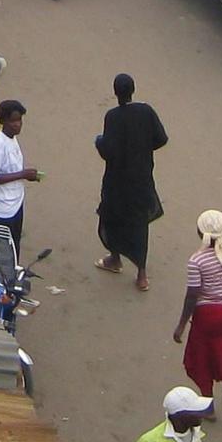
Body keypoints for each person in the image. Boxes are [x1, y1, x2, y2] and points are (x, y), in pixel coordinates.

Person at [174, 210, 222, 418]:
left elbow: (192, 295)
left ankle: (208, 407)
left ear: (200, 233)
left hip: (206, 315)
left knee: (203, 359)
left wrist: (182, 325)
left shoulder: (196, 261)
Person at [93, 72, 166, 289]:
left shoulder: (112, 117)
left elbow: (109, 151)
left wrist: (99, 142)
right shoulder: (146, 111)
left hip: (117, 181)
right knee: (139, 223)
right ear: (133, 90)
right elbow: (161, 139)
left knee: (111, 217)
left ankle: (114, 258)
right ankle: (141, 275)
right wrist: (141, 149)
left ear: (116, 92)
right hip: (141, 178)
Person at [0, 99, 38, 247]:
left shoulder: (12, 139)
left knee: (14, 245)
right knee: (2, 250)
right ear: (3, 121)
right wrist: (22, 174)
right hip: (0, 210)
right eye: (13, 121)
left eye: (19, 120)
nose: (18, 124)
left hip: (14, 204)